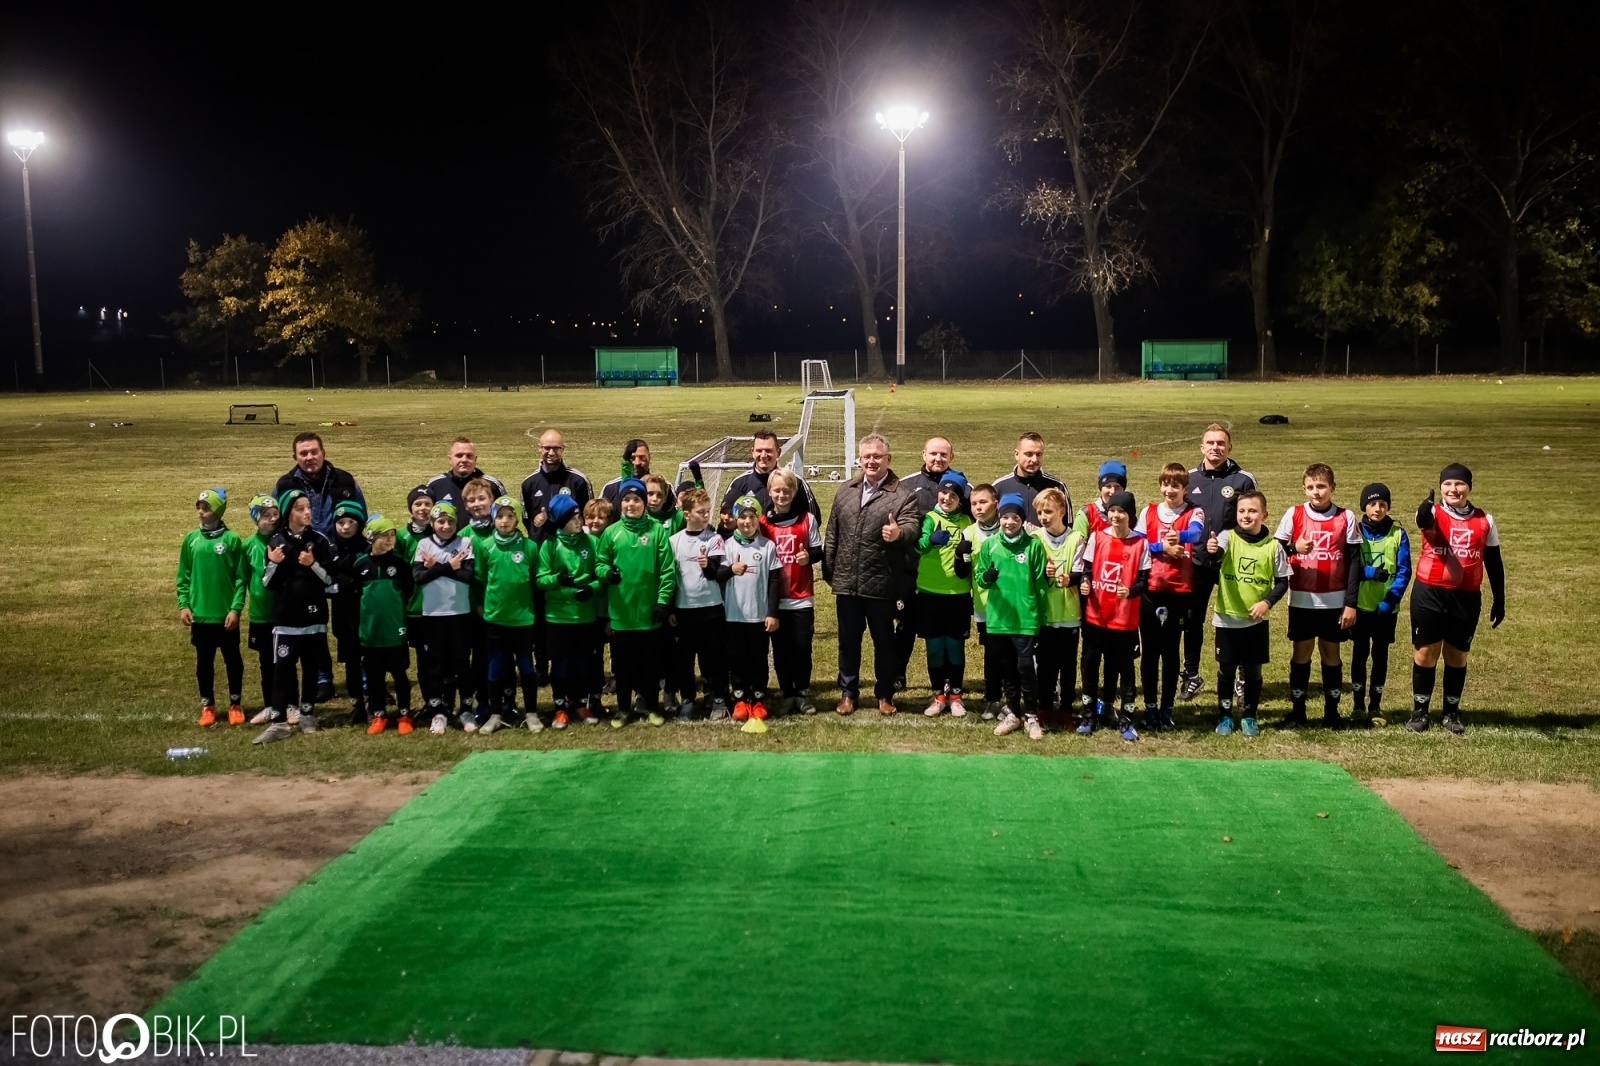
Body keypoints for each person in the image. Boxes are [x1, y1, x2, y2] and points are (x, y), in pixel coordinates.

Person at [823, 433, 922, 716]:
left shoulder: (903, 494)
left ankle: (885, 694)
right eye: (866, 456)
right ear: (860, 459)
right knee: (848, 642)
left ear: (888, 459)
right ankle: (848, 693)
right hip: (847, 583)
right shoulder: (846, 491)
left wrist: (898, 533)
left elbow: (912, 528)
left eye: (877, 456)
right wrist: (831, 572)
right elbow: (833, 533)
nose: (871, 461)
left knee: (884, 643)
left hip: (882, 583)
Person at [1408, 464, 1505, 734]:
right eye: (1448, 484)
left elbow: (1494, 562)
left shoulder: (1485, 520)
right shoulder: (1431, 512)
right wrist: (1425, 508)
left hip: (1466, 597)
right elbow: (1422, 520)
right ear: (1441, 487)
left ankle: (1451, 713)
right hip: (1429, 592)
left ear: (1469, 487)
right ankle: (1420, 711)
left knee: (1457, 655)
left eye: (1459, 484)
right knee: (1426, 653)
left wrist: (1500, 598)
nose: (1454, 489)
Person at [1274, 463, 1360, 729]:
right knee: (1301, 651)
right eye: (1310, 487)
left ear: (1332, 488)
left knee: (1330, 652)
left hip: (1334, 599)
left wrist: (1350, 603)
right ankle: (1298, 713)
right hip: (1302, 598)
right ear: (1304, 488)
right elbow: (1274, 551)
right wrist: (1293, 547)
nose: (1316, 492)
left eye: (1321, 486)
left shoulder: (1346, 517)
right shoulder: (1294, 513)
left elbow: (1355, 561)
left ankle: (1331, 714)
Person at [1205, 489, 1290, 737]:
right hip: (1227, 618)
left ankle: (1250, 716)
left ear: (1264, 514)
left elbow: (1283, 581)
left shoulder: (1273, 546)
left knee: (1253, 671)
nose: (1246, 515)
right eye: (1242, 511)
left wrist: (1267, 603)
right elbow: (1217, 554)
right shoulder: (1227, 537)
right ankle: (1224, 716)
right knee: (1226, 670)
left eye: (1252, 511)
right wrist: (1213, 551)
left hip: (1255, 623)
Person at [1181, 423, 1256, 701]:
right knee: (1192, 621)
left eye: (1221, 443)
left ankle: (1241, 678)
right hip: (1197, 563)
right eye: (1210, 443)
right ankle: (1191, 675)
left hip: (1231, 564)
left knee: (1235, 621)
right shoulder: (1189, 479)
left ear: (1229, 448)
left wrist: (1225, 543)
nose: (1215, 448)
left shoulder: (1243, 480)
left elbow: (1252, 520)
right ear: (1202, 447)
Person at [253, 489, 334, 744]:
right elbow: (267, 583)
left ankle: (308, 714)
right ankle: (278, 721)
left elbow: (330, 580)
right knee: (282, 669)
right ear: (289, 514)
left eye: (308, 507)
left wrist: (313, 564)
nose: (307, 512)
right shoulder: (276, 543)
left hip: (313, 619)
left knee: (311, 667)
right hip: (286, 620)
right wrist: (274, 562)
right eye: (300, 508)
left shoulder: (319, 541)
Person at [596, 478, 675, 728]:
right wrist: (606, 573)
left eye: (637, 500)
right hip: (621, 613)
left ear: (644, 503)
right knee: (623, 665)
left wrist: (663, 602)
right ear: (621, 503)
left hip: (648, 612)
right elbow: (599, 563)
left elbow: (667, 570)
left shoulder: (656, 531)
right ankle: (622, 709)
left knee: (650, 664)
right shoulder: (611, 532)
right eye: (627, 500)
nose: (632, 504)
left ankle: (652, 707)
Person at [1074, 490, 1150, 742]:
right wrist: (1085, 582)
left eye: (1122, 512)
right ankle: (1088, 714)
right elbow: (1086, 569)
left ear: (1130, 516)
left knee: (1125, 668)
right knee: (1090, 664)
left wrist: (1130, 591)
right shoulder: (1097, 538)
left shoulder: (1141, 543)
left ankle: (1126, 717)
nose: (1116, 516)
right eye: (1113, 511)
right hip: (1096, 616)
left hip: (1124, 619)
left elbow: (1144, 582)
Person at [1135, 464, 1204, 730]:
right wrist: (1161, 546)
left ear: (1185, 489)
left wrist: (1181, 536)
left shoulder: (1192, 511)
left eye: (1176, 486)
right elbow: (1139, 544)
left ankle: (1167, 708)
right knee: (1150, 652)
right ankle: (1150, 707)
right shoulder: (1149, 511)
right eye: (1166, 484)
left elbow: (1196, 533)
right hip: (1151, 589)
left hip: (1179, 591)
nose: (1170, 490)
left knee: (1171, 651)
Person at [895, 436, 968, 688]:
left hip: (945, 574)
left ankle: (948, 679)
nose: (938, 459)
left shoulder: (963, 488)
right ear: (923, 454)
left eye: (943, 455)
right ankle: (897, 674)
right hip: (910, 568)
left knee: (945, 630)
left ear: (951, 457)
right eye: (933, 454)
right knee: (905, 624)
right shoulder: (905, 486)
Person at [976, 493, 1049, 739]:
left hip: (1025, 619)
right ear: (999, 518)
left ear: (1022, 520)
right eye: (1005, 517)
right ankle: (1014, 713)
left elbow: (1040, 584)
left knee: (1026, 667)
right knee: (1007, 668)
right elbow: (979, 578)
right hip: (999, 619)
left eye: (1014, 517)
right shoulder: (990, 545)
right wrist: (986, 577)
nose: (1009, 522)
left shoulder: (1033, 546)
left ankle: (1031, 715)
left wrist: (1042, 617)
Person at [178, 487, 247, 727]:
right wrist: (184, 605)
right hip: (201, 616)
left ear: (217, 511)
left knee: (233, 661)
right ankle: (208, 705)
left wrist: (235, 609)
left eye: (206, 508)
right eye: (199, 507)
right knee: (204, 663)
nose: (200, 512)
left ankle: (235, 704)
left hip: (225, 616)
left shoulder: (231, 540)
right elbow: (183, 576)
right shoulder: (191, 540)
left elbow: (240, 579)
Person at [1347, 484, 1411, 727]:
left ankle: (1375, 705)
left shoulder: (1398, 533)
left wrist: (1390, 600)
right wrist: (1369, 572)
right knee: (1359, 654)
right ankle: (1357, 706)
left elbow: (1404, 571)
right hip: (1361, 607)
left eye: (1383, 504)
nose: (1378, 508)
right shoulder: (1356, 531)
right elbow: (1347, 565)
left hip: (1386, 609)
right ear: (1364, 506)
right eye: (1373, 504)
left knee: (1380, 655)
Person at [535, 494, 602, 729]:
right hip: (558, 617)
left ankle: (581, 704)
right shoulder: (550, 545)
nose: (579, 520)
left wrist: (591, 588)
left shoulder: (592, 543)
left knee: (583, 663)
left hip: (584, 616)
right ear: (561, 520)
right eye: (573, 517)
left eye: (579, 515)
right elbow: (541, 581)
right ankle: (560, 708)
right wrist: (559, 580)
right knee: (561, 664)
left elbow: (600, 575)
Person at [717, 495, 782, 730]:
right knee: (736, 658)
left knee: (758, 658)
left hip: (758, 615)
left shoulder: (767, 546)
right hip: (733, 616)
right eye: (742, 517)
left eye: (751, 517)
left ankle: (758, 699)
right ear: (735, 519)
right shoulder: (726, 546)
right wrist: (730, 570)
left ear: (758, 519)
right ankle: (740, 699)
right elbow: (717, 576)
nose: (747, 522)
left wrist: (772, 612)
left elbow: (775, 581)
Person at [915, 471, 975, 717]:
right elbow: (917, 546)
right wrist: (930, 539)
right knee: (935, 646)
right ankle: (939, 694)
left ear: (961, 499)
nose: (947, 498)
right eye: (944, 492)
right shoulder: (929, 518)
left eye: (953, 495)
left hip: (959, 593)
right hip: (930, 591)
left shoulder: (967, 523)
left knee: (955, 646)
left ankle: (957, 695)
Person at [763, 469, 823, 716]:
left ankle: (802, 693)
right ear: (770, 493)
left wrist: (808, 556)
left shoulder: (807, 519)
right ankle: (787, 693)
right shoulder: (763, 524)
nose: (781, 495)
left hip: (801, 599)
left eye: (786, 490)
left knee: (802, 649)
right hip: (775, 601)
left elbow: (819, 551)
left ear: (794, 492)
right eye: (777, 490)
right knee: (780, 650)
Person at [479, 496, 540, 734]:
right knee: (495, 666)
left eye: (510, 516)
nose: (504, 521)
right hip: (495, 618)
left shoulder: (530, 547)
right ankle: (495, 714)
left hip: (523, 618)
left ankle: (532, 713)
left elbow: (533, 579)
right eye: (500, 516)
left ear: (517, 519)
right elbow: (482, 578)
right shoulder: (485, 547)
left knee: (526, 666)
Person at [413, 502, 476, 734]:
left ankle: (467, 708)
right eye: (441, 521)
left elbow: (467, 575)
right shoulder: (423, 545)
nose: (446, 526)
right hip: (433, 614)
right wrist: (449, 565)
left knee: (461, 662)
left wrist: (436, 567)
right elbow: (419, 578)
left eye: (450, 521)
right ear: (432, 523)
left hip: (459, 612)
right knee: (435, 665)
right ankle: (439, 711)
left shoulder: (465, 543)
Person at [667, 487, 728, 720]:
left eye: (707, 511)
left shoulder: (714, 539)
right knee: (684, 659)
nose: (705, 516)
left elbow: (717, 573)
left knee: (714, 656)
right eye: (700, 512)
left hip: (711, 607)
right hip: (684, 610)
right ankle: (687, 700)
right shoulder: (674, 541)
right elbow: (670, 578)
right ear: (686, 514)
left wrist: (707, 565)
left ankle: (718, 699)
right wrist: (671, 608)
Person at [355, 516, 415, 735]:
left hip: (394, 632)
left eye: (392, 535)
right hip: (371, 633)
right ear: (371, 537)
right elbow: (356, 597)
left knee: (400, 675)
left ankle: (404, 715)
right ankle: (378, 715)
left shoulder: (400, 564)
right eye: (384, 536)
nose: (390, 540)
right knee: (374, 678)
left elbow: (408, 591)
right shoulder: (360, 565)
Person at [1030, 487, 1082, 728]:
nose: (1044, 517)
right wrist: (1043, 572)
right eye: (1040, 512)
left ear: (1062, 511)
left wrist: (1070, 579)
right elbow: (1028, 573)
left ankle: (1067, 710)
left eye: (1048, 511)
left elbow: (1082, 572)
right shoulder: (1035, 539)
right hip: (1044, 615)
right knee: (1045, 665)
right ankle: (1045, 708)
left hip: (1069, 614)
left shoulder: (1076, 539)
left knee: (1068, 665)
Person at [962, 484, 1007, 720]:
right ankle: (992, 699)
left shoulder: (1009, 528)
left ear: (996, 503)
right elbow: (962, 571)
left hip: (1011, 605)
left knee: (1011, 656)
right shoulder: (969, 533)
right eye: (974, 503)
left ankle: (1011, 700)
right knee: (992, 655)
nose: (978, 507)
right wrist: (961, 556)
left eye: (983, 502)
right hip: (984, 606)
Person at [273, 432, 366, 540]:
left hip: (341, 552)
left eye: (314, 452)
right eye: (303, 453)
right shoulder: (285, 485)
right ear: (295, 457)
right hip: (301, 552)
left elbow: (361, 517)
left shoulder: (344, 480)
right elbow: (276, 523)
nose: (309, 457)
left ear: (323, 453)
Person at [720, 430, 822, 526]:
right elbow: (726, 523)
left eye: (768, 450)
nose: (763, 455)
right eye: (759, 450)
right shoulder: (738, 483)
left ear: (778, 452)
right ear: (752, 452)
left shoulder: (796, 482)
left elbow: (814, 521)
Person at [327, 498, 369, 725]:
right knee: (352, 663)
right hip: (344, 617)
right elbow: (327, 581)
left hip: (367, 615)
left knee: (372, 660)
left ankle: (375, 702)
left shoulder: (368, 549)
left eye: (350, 522)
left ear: (359, 524)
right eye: (340, 522)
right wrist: (343, 585)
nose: (344, 527)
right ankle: (357, 704)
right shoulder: (331, 549)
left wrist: (349, 583)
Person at [242, 494, 280, 725]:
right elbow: (242, 578)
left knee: (284, 661)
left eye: (275, 514)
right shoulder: (247, 546)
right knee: (266, 662)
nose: (273, 519)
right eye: (266, 516)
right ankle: (269, 705)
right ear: (256, 518)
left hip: (283, 613)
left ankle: (288, 704)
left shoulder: (283, 541)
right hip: (260, 614)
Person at [397, 485, 434, 710]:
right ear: (410, 507)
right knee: (421, 658)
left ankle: (439, 701)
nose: (422, 508)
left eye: (427, 503)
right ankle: (429, 701)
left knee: (436, 658)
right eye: (418, 504)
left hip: (436, 605)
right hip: (412, 606)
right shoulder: (401, 536)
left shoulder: (440, 531)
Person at [521, 429, 594, 539]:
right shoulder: (528, 483)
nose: (551, 452)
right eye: (547, 448)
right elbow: (526, 519)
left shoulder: (579, 480)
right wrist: (537, 522)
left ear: (562, 449)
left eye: (556, 448)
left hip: (572, 548)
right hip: (541, 548)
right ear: (539, 448)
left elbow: (589, 515)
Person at [582, 497, 617, 724]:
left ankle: (615, 695)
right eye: (590, 517)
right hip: (586, 613)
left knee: (618, 657)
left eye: (600, 517)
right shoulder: (581, 542)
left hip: (609, 611)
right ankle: (590, 700)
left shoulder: (613, 541)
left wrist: (612, 615)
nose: (595, 521)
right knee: (591, 659)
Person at [992, 432, 1070, 526]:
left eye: (1039, 454)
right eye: (1029, 454)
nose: (1034, 460)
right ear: (1016, 454)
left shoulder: (1057, 486)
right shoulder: (999, 487)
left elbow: (1068, 525)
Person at [425, 437, 507, 518]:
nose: (464, 460)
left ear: (475, 459)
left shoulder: (492, 485)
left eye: (469, 456)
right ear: (450, 459)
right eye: (459, 455)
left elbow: (507, 516)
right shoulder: (435, 485)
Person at [1072, 461, 1126, 537]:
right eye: (1108, 486)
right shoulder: (1087, 514)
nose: (1113, 491)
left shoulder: (1128, 514)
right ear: (1101, 488)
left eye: (1117, 487)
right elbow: (1076, 546)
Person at [601, 439, 654, 505]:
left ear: (649, 457)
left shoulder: (663, 488)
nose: (637, 463)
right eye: (632, 458)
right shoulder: (610, 488)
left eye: (642, 458)